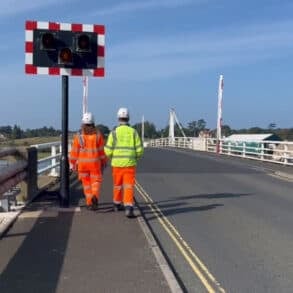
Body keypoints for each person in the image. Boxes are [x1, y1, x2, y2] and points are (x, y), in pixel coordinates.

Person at [104, 107, 144, 218]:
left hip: (116, 164)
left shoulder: (114, 133)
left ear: (118, 118)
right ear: (128, 118)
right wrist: (135, 157)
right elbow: (140, 149)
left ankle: (116, 204)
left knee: (117, 185)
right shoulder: (133, 132)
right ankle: (128, 208)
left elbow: (107, 150)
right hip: (130, 164)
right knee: (128, 186)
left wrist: (113, 157)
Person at [69, 112, 107, 210]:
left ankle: (89, 202)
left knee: (86, 184)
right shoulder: (98, 135)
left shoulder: (79, 136)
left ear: (82, 123)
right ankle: (95, 196)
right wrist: (104, 161)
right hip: (95, 163)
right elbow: (101, 151)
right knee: (96, 181)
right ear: (93, 122)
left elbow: (74, 152)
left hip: (82, 165)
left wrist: (72, 163)